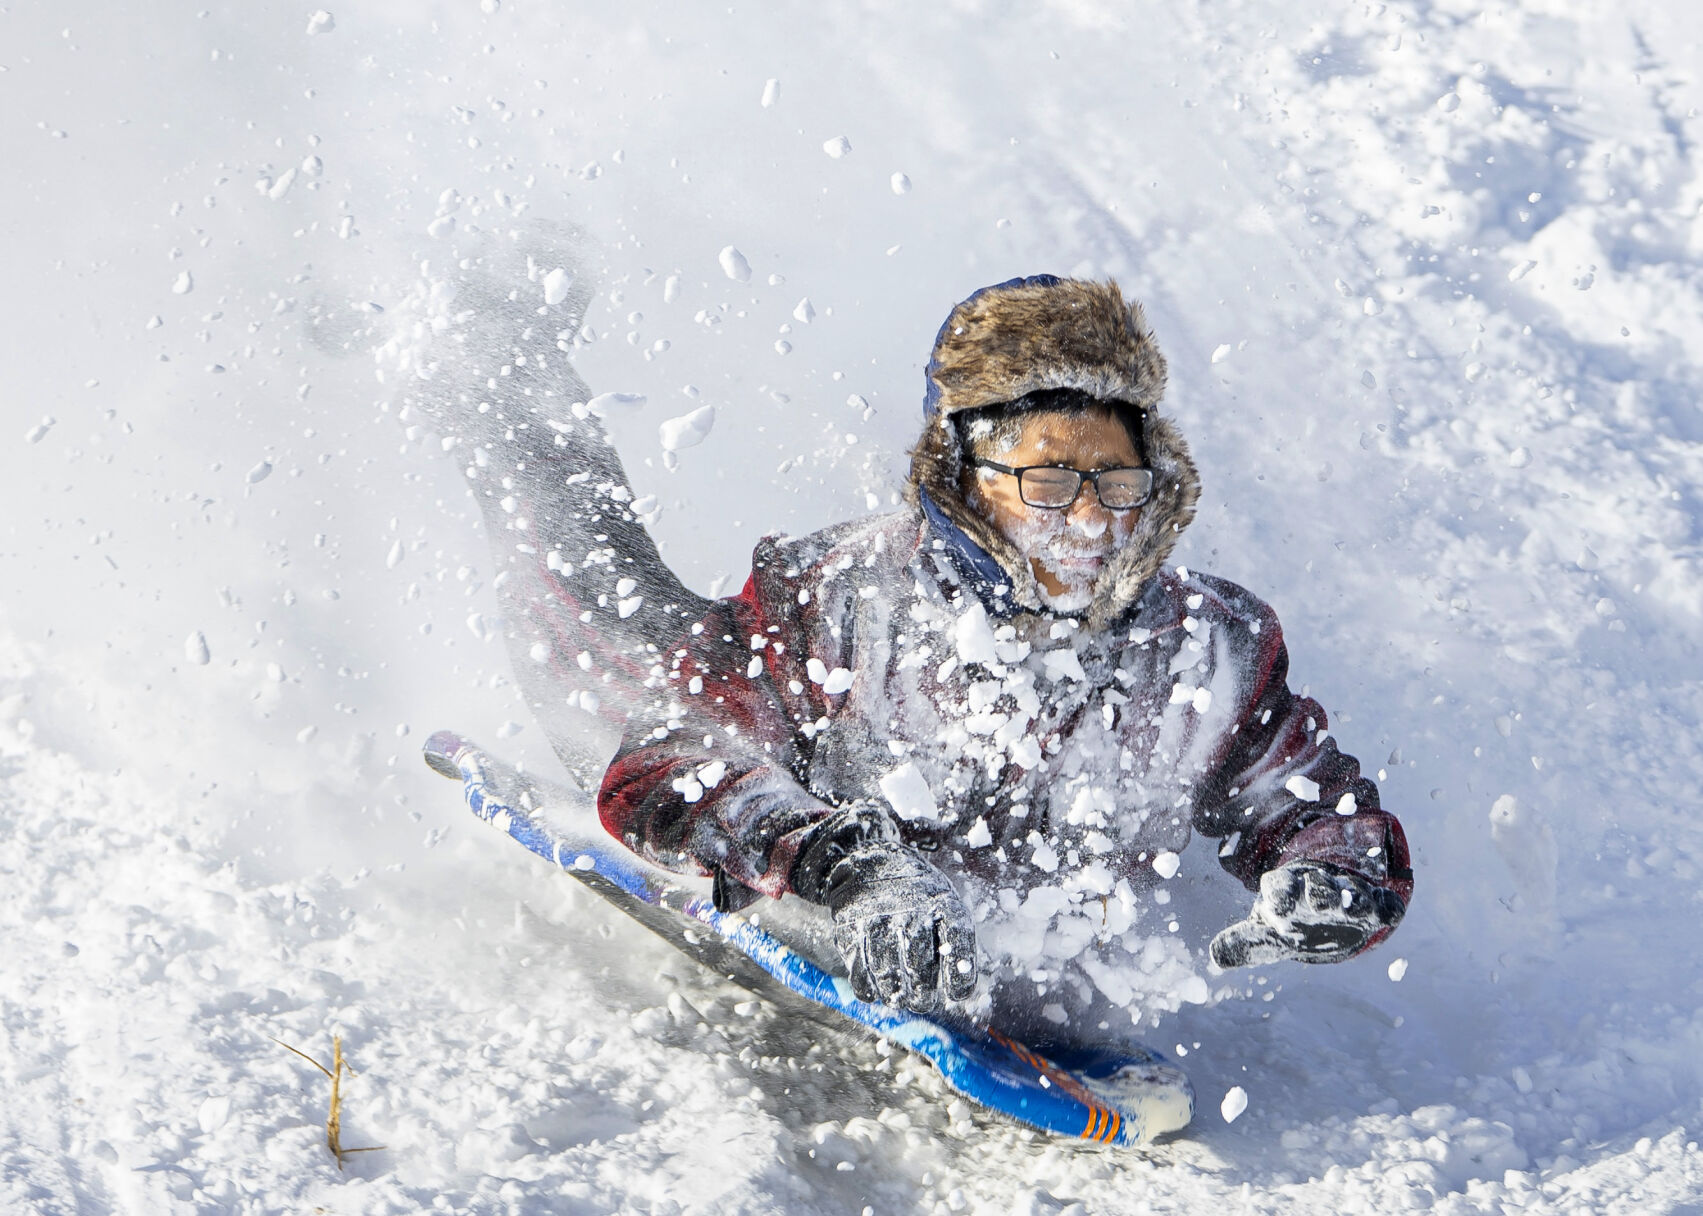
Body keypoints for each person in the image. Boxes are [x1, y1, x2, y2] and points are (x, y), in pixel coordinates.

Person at [587, 274, 1414, 1016]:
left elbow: (1308, 803)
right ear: (960, 475)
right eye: (1048, 483)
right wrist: (843, 866)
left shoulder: (1213, 644)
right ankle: (514, 341)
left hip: (1016, 974)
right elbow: (670, 758)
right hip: (689, 709)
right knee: (588, 584)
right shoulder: (835, 590)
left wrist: (1334, 876)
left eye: (1117, 482)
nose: (1093, 521)